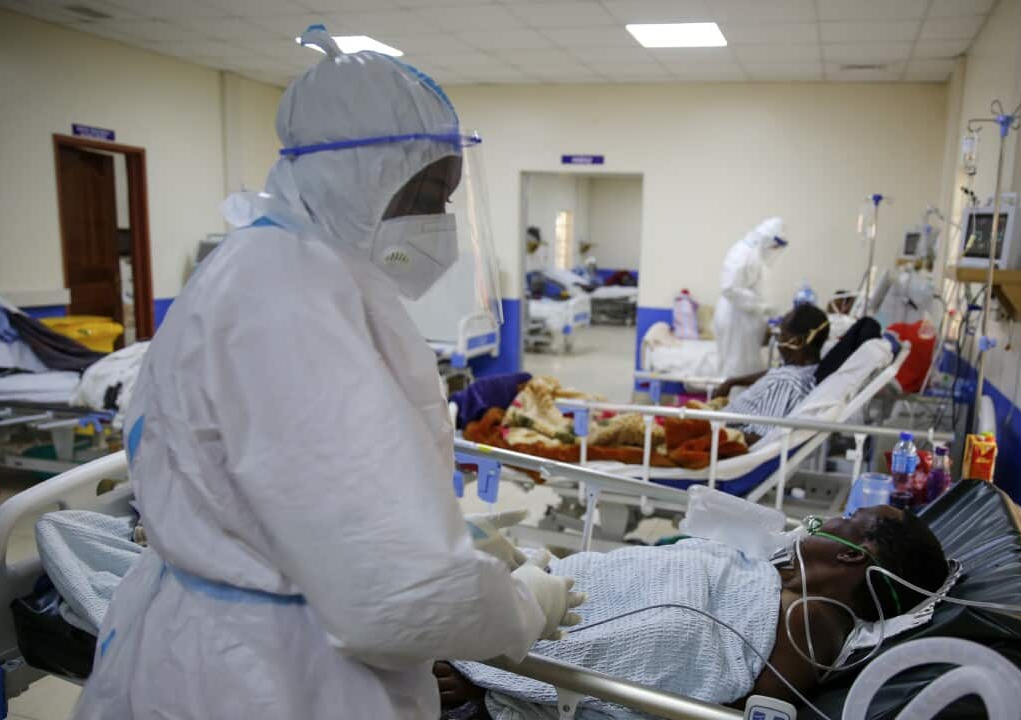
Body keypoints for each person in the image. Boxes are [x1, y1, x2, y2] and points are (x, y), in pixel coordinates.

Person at [73, 27, 582, 719]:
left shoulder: (283, 267)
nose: (439, 221)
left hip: (249, 649)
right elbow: (395, 591)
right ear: (358, 175)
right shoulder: (289, 300)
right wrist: (521, 608)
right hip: (269, 678)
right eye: (428, 193)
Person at [435, 506, 949, 718]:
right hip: (540, 599)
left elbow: (664, 642)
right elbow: (638, 573)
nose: (815, 524)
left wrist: (492, 681)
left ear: (850, 554)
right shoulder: (772, 579)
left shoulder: (811, 623)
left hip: (511, 654)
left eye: (842, 520)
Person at [713, 303, 829, 444]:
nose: (778, 342)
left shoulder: (786, 383)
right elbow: (775, 371)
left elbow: (763, 438)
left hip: (717, 437)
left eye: (782, 336)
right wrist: (732, 381)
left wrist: (715, 434)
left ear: (797, 342)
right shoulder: (807, 370)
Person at [714, 217, 787, 379]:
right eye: (774, 245)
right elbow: (729, 287)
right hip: (736, 320)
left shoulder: (755, 255)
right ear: (768, 239)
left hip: (745, 320)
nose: (774, 250)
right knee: (736, 368)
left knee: (746, 368)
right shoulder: (742, 252)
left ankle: (742, 402)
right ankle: (731, 403)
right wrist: (762, 306)